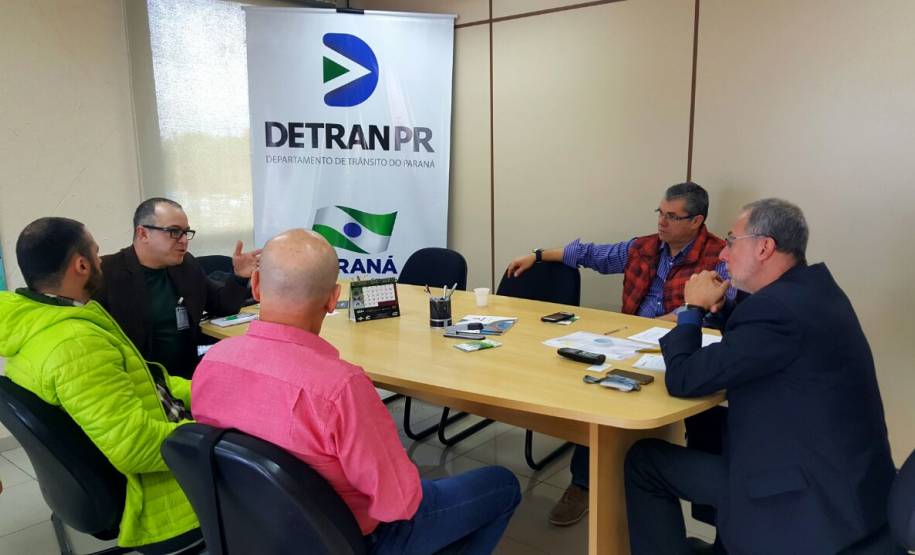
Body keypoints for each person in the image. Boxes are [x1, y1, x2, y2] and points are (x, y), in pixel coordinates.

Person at [191, 229, 522, 554]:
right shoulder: (340, 388)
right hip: (350, 539)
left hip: (255, 528)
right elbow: (400, 505)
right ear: (334, 299)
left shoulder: (213, 363)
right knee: (502, 484)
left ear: (257, 285)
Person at [624, 199, 896, 554]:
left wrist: (691, 309)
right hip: (844, 474)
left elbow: (684, 379)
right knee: (710, 424)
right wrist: (723, 312)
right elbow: (757, 345)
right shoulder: (811, 291)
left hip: (805, 494)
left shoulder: (777, 312)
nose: (723, 253)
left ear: (764, 247)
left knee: (644, 462)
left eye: (732, 240)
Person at [505, 181, 731, 526]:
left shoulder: (719, 257)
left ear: (696, 221)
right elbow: (590, 254)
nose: (662, 222)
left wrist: (654, 327)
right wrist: (536, 256)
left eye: (672, 216)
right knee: (591, 388)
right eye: (660, 212)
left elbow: (708, 308)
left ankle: (653, 481)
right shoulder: (644, 247)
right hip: (630, 342)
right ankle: (583, 483)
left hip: (681, 346)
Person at [0, 217, 200, 551]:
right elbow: (136, 448)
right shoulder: (75, 345)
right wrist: (213, 435)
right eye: (95, 252)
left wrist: (215, 393)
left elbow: (149, 384)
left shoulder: (36, 323)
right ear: (81, 265)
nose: (100, 260)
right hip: (152, 496)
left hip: (141, 442)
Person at [95, 197, 260, 378]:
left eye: (186, 232)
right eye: (174, 231)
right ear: (143, 234)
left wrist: (238, 277)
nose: (183, 240)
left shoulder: (185, 265)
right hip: (142, 382)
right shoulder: (106, 272)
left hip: (187, 375)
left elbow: (222, 306)